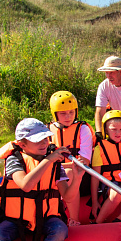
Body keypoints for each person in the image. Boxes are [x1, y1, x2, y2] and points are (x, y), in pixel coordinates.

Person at [0, 118, 83, 241]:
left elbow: (68, 196)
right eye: (37, 140)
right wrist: (48, 160)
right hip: (17, 219)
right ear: (22, 144)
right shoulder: (15, 160)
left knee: (60, 231)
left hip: (46, 216)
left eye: (46, 139)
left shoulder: (55, 163)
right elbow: (26, 185)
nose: (44, 143)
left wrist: (77, 177)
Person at [48, 91, 94, 226]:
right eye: (63, 113)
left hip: (81, 175)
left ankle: (74, 220)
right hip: (55, 174)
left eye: (71, 112)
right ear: (55, 114)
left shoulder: (83, 129)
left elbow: (84, 162)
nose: (68, 117)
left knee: (68, 174)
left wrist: (60, 166)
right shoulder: (47, 131)